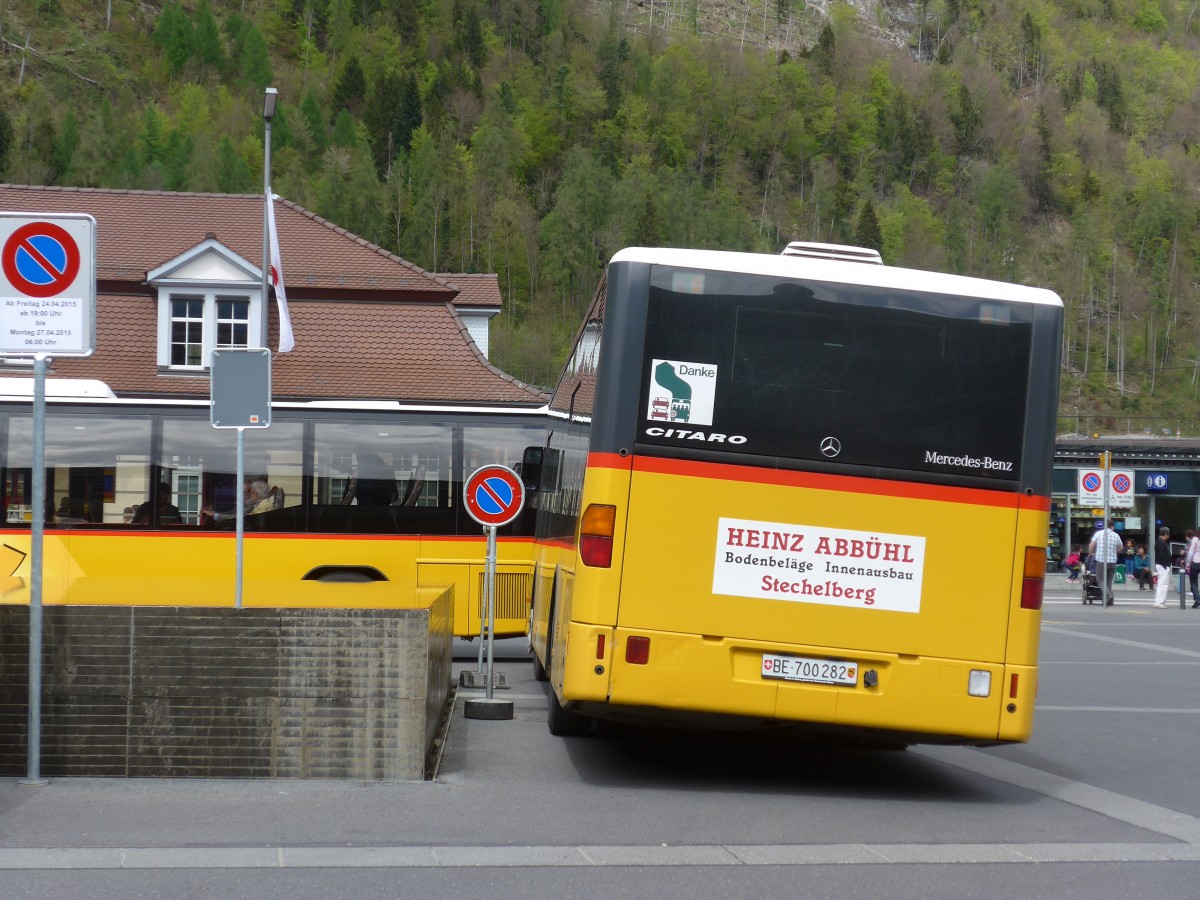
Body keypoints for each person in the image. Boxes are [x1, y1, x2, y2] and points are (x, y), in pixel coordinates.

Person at [1089, 519, 1121, 607]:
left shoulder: (1098, 533)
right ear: (1112, 526)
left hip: (1101, 561)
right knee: (1109, 581)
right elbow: (1121, 547)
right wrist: (1115, 552)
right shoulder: (1116, 535)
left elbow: (1091, 546)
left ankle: (1108, 595)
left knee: (1101, 580)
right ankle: (1110, 600)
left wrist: (1091, 554)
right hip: (1113, 561)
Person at [1153, 525, 1173, 609]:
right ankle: (1160, 602)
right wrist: (1166, 565)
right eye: (1168, 534)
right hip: (1163, 566)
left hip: (1161, 565)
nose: (1168, 536)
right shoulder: (1161, 542)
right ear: (1165, 534)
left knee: (1162, 584)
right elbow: (1161, 555)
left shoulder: (1159, 541)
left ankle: (1159, 602)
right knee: (1163, 584)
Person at [1185, 528, 1200, 609]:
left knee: (1193, 582)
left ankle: (1197, 599)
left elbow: (1191, 552)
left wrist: (1187, 564)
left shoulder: (1195, 539)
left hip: (1196, 562)